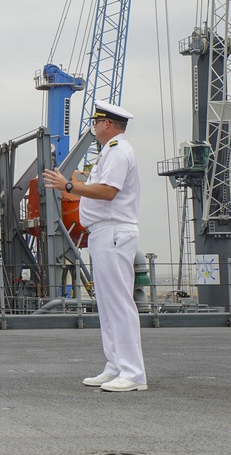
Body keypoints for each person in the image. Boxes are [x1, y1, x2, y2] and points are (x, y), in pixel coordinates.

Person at [43, 101, 147, 392]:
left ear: (109, 125)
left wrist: (69, 186)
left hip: (113, 231)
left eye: (97, 121)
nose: (95, 126)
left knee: (119, 304)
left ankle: (133, 372)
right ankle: (115, 365)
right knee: (108, 303)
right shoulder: (110, 153)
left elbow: (108, 192)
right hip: (103, 233)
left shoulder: (118, 151)